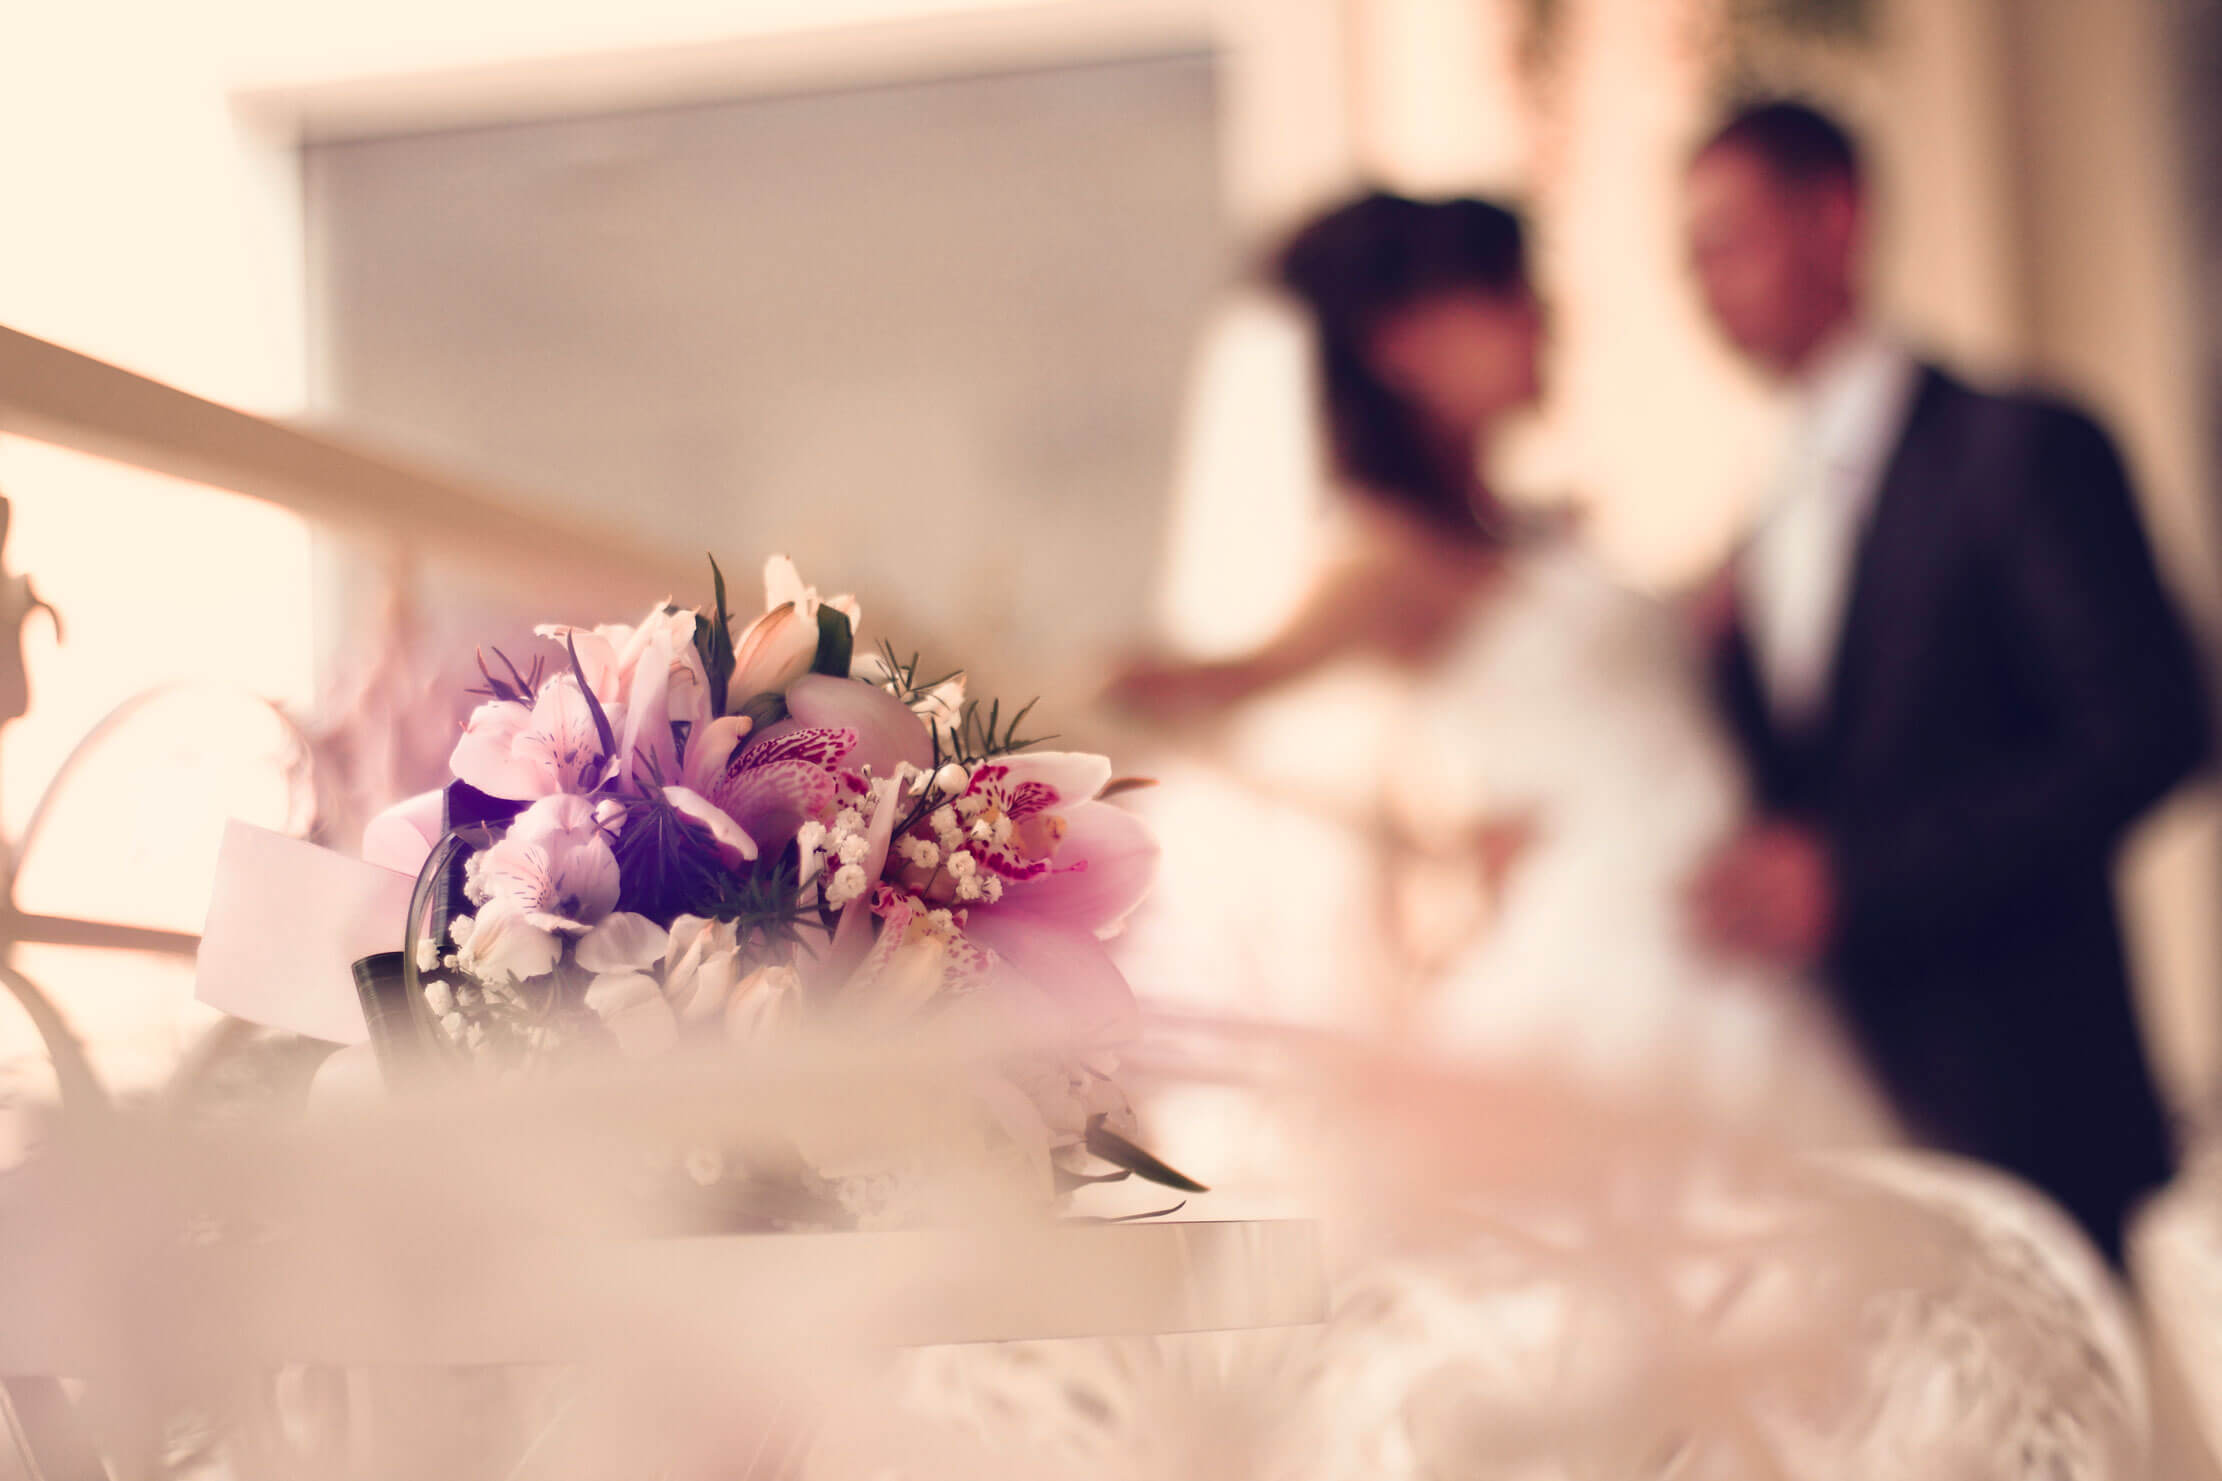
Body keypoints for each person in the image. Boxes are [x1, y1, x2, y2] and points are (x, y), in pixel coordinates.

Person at [1112, 191, 1887, 1141]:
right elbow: (1213, 688)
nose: (1540, 316)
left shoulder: (1530, 532)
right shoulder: (1384, 561)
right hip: (1602, 966)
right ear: (1399, 344)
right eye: (1503, 291)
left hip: (1720, 945)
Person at [1682, 99, 2212, 1260]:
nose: (1700, 283)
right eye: (1687, 257)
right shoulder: (1758, 510)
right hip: (1831, 1106)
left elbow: (2152, 726)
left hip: (2028, 1084)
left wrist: (1857, 872)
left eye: (1724, 240)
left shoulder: (2018, 444)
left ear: (1833, 217)